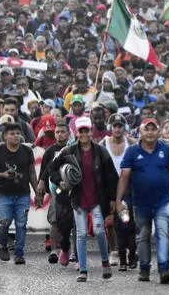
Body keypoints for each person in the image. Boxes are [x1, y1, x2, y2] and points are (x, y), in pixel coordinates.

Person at [47, 116, 118, 282]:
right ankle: (83, 270)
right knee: (81, 234)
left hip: (97, 199)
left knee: (100, 231)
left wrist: (113, 199)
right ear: (77, 133)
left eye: (87, 130)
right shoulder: (69, 151)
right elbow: (52, 167)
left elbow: (111, 176)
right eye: (81, 131)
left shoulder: (101, 151)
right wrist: (60, 181)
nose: (84, 133)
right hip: (78, 199)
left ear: (91, 131)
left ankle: (105, 262)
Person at [116, 118, 169, 284]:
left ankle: (164, 269)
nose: (150, 132)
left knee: (163, 232)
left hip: (164, 201)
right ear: (140, 132)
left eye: (153, 129)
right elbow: (124, 177)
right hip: (140, 202)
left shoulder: (167, 150)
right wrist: (118, 200)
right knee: (143, 235)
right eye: (146, 129)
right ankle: (144, 269)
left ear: (159, 132)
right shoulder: (132, 151)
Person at [0, 122, 39, 266]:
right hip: (4, 193)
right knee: (4, 222)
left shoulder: (27, 151)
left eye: (18, 133)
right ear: (5, 136)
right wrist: (2, 174)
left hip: (23, 193)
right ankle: (3, 244)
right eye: (12, 134)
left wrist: (37, 192)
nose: (16, 136)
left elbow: (32, 173)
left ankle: (19, 254)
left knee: (21, 224)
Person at [99, 113, 137, 270]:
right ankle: (114, 250)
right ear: (110, 128)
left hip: (128, 187)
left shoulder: (132, 143)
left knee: (128, 221)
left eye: (120, 125)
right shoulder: (103, 144)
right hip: (109, 187)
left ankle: (129, 250)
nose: (117, 128)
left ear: (125, 128)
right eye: (114, 125)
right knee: (110, 221)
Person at [36, 122, 73, 265]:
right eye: (57, 132)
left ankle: (72, 251)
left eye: (63, 132)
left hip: (72, 189)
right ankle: (54, 250)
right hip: (56, 190)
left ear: (68, 133)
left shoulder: (73, 149)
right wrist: (41, 185)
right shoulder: (50, 151)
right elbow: (45, 170)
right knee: (55, 219)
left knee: (73, 221)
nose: (60, 134)